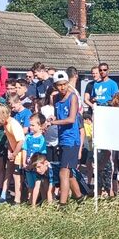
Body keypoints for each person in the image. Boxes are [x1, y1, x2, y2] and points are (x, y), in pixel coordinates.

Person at [48, 70, 83, 206]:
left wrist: (53, 122)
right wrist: (53, 118)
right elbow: (58, 116)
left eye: (64, 84)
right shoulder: (56, 98)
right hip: (62, 138)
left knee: (63, 172)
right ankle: (79, 199)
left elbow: (71, 119)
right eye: (59, 85)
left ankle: (63, 205)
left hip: (71, 139)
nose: (62, 87)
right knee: (69, 173)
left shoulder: (72, 97)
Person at [0, 103, 25, 205]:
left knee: (16, 176)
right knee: (8, 172)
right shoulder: (6, 124)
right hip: (13, 152)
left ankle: (17, 200)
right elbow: (11, 140)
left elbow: (21, 141)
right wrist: (10, 151)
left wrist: (14, 154)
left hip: (20, 153)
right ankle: (3, 195)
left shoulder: (13, 124)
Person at [22, 113, 47, 202]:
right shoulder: (28, 137)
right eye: (30, 125)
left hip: (37, 166)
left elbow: (42, 154)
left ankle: (42, 201)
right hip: (28, 166)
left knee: (39, 185)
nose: (30, 127)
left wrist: (34, 164)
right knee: (30, 184)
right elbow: (24, 149)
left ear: (40, 126)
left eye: (33, 125)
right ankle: (30, 200)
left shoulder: (42, 139)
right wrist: (24, 162)